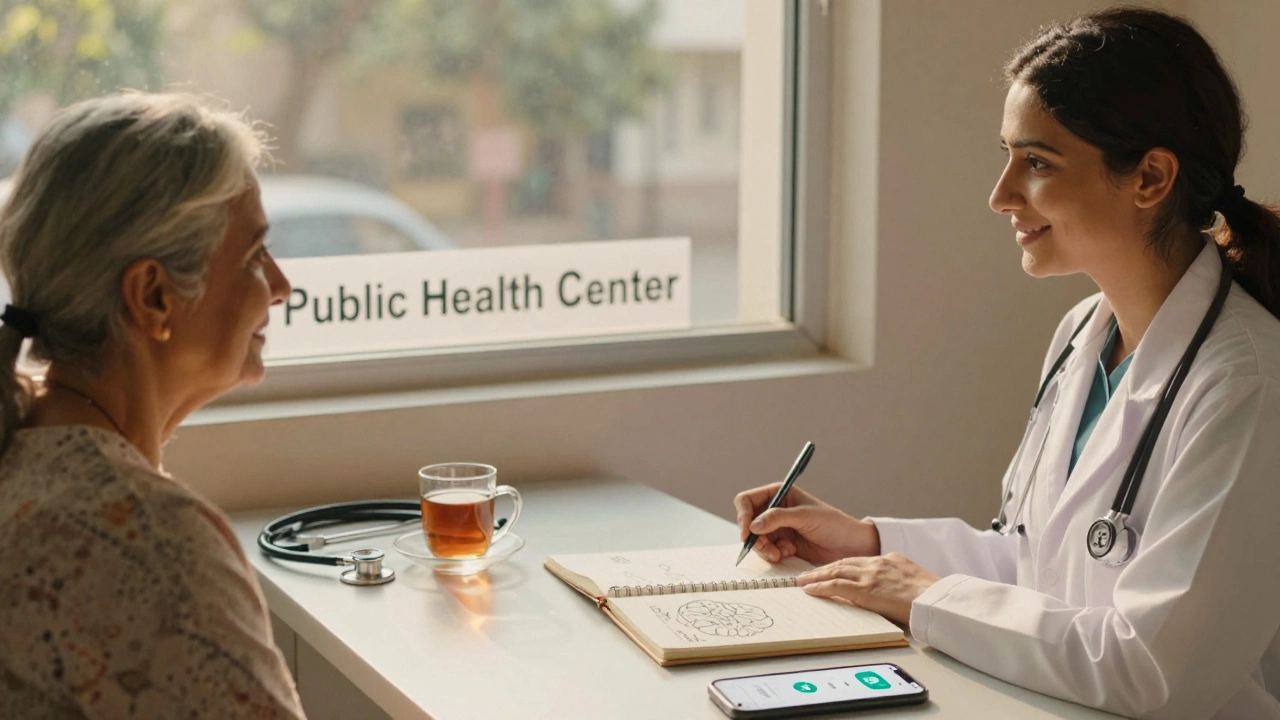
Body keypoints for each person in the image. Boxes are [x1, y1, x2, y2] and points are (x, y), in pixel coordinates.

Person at [735, 8, 1280, 720]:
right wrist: (868, 541)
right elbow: (1033, 563)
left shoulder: (1247, 382)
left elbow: (1158, 672)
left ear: (1150, 177)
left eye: (1037, 163)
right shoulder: (1084, 333)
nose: (1001, 196)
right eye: (1007, 156)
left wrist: (924, 595)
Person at [0, 93, 304, 718]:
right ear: (153, 297)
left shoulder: (24, 448)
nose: (279, 286)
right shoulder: (153, 546)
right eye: (252, 257)